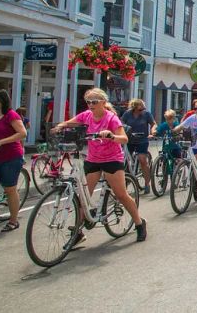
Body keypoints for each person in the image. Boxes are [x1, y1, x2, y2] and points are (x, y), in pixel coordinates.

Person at [54, 88, 146, 242]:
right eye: (88, 102)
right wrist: (60, 127)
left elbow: (124, 139)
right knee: (83, 195)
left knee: (121, 195)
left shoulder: (111, 118)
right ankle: (77, 232)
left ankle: (139, 223)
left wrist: (111, 135)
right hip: (93, 158)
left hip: (112, 159)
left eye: (94, 102)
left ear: (103, 103)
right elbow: (70, 122)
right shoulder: (86, 115)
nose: (90, 105)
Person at [0, 90, 28, 232]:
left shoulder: (11, 115)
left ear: (2, 101)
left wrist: (1, 142)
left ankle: (13, 220)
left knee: (9, 189)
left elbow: (23, 133)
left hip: (10, 157)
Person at [120, 99, 157, 194]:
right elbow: (120, 124)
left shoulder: (146, 114)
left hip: (142, 139)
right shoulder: (127, 114)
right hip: (129, 139)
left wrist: (153, 131)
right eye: (140, 109)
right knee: (125, 161)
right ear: (134, 108)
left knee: (142, 160)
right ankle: (126, 182)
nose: (142, 111)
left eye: (143, 109)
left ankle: (147, 184)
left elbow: (153, 124)